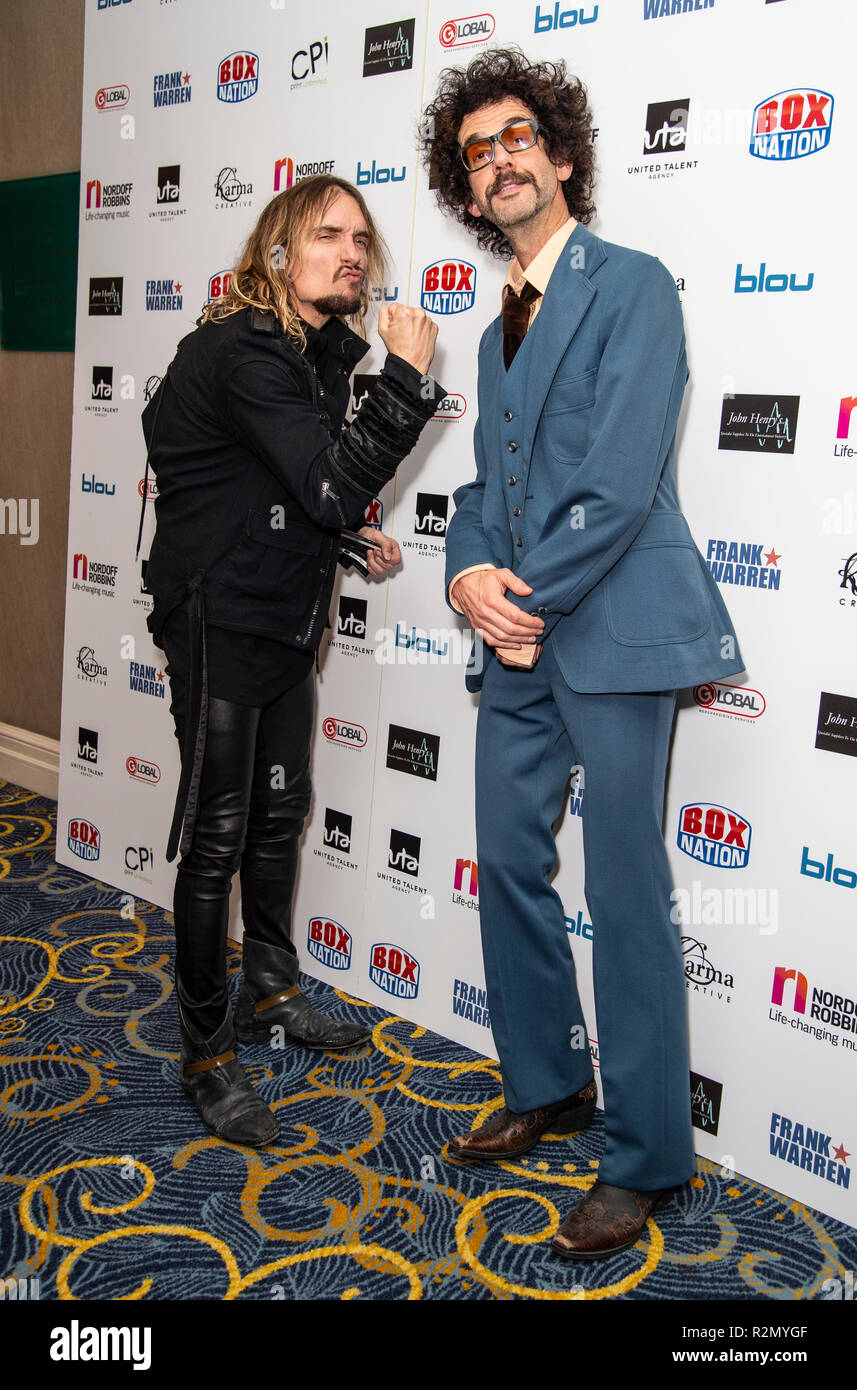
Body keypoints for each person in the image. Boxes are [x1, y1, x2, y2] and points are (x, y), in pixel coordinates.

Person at [422, 50, 743, 1259]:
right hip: (519, 644)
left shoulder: (633, 284)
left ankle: (647, 1152)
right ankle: (546, 1081)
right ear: (467, 190)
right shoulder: (494, 326)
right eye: (472, 153)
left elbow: (613, 487)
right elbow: (487, 487)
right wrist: (464, 576)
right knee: (506, 858)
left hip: (610, 632)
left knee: (622, 888)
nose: (495, 161)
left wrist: (517, 603)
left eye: (514, 139)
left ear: (558, 156)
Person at [140, 176, 443, 1148]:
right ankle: (205, 1055)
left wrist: (347, 539)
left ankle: (270, 991)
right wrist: (401, 379)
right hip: (216, 621)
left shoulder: (302, 353)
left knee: (278, 816)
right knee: (220, 832)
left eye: (362, 237)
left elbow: (278, 489)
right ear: (277, 251)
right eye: (327, 234)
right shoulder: (243, 352)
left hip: (278, 618)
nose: (351, 252)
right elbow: (319, 482)